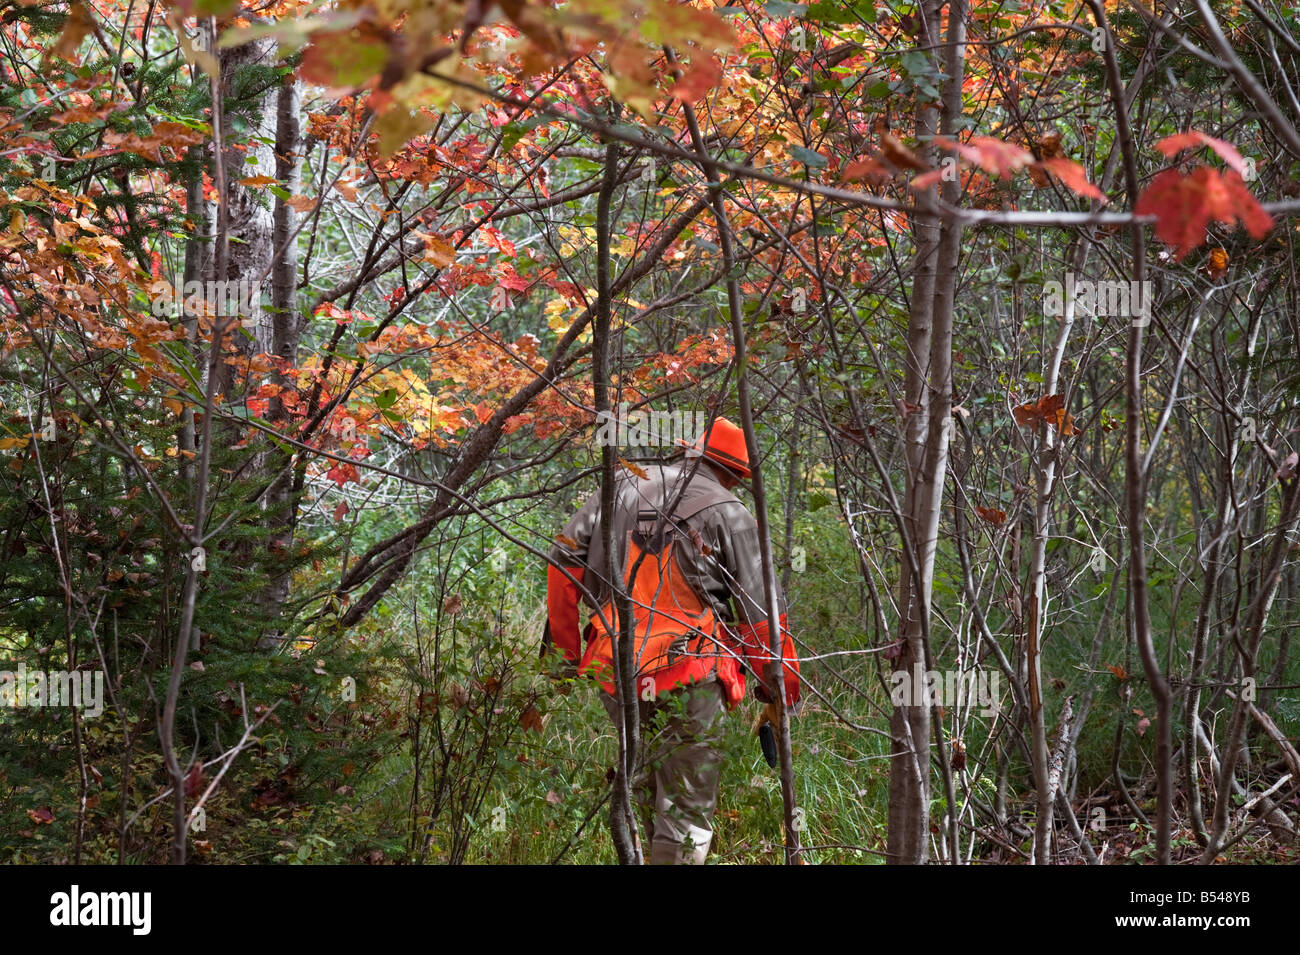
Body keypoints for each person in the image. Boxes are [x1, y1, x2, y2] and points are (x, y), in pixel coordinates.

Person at [544, 415, 802, 864]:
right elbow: (763, 620)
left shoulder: (621, 484)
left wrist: (564, 660)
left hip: (616, 669)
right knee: (685, 807)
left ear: (691, 451)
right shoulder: (730, 511)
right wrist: (780, 690)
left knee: (644, 789)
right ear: (735, 473)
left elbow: (561, 562)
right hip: (690, 672)